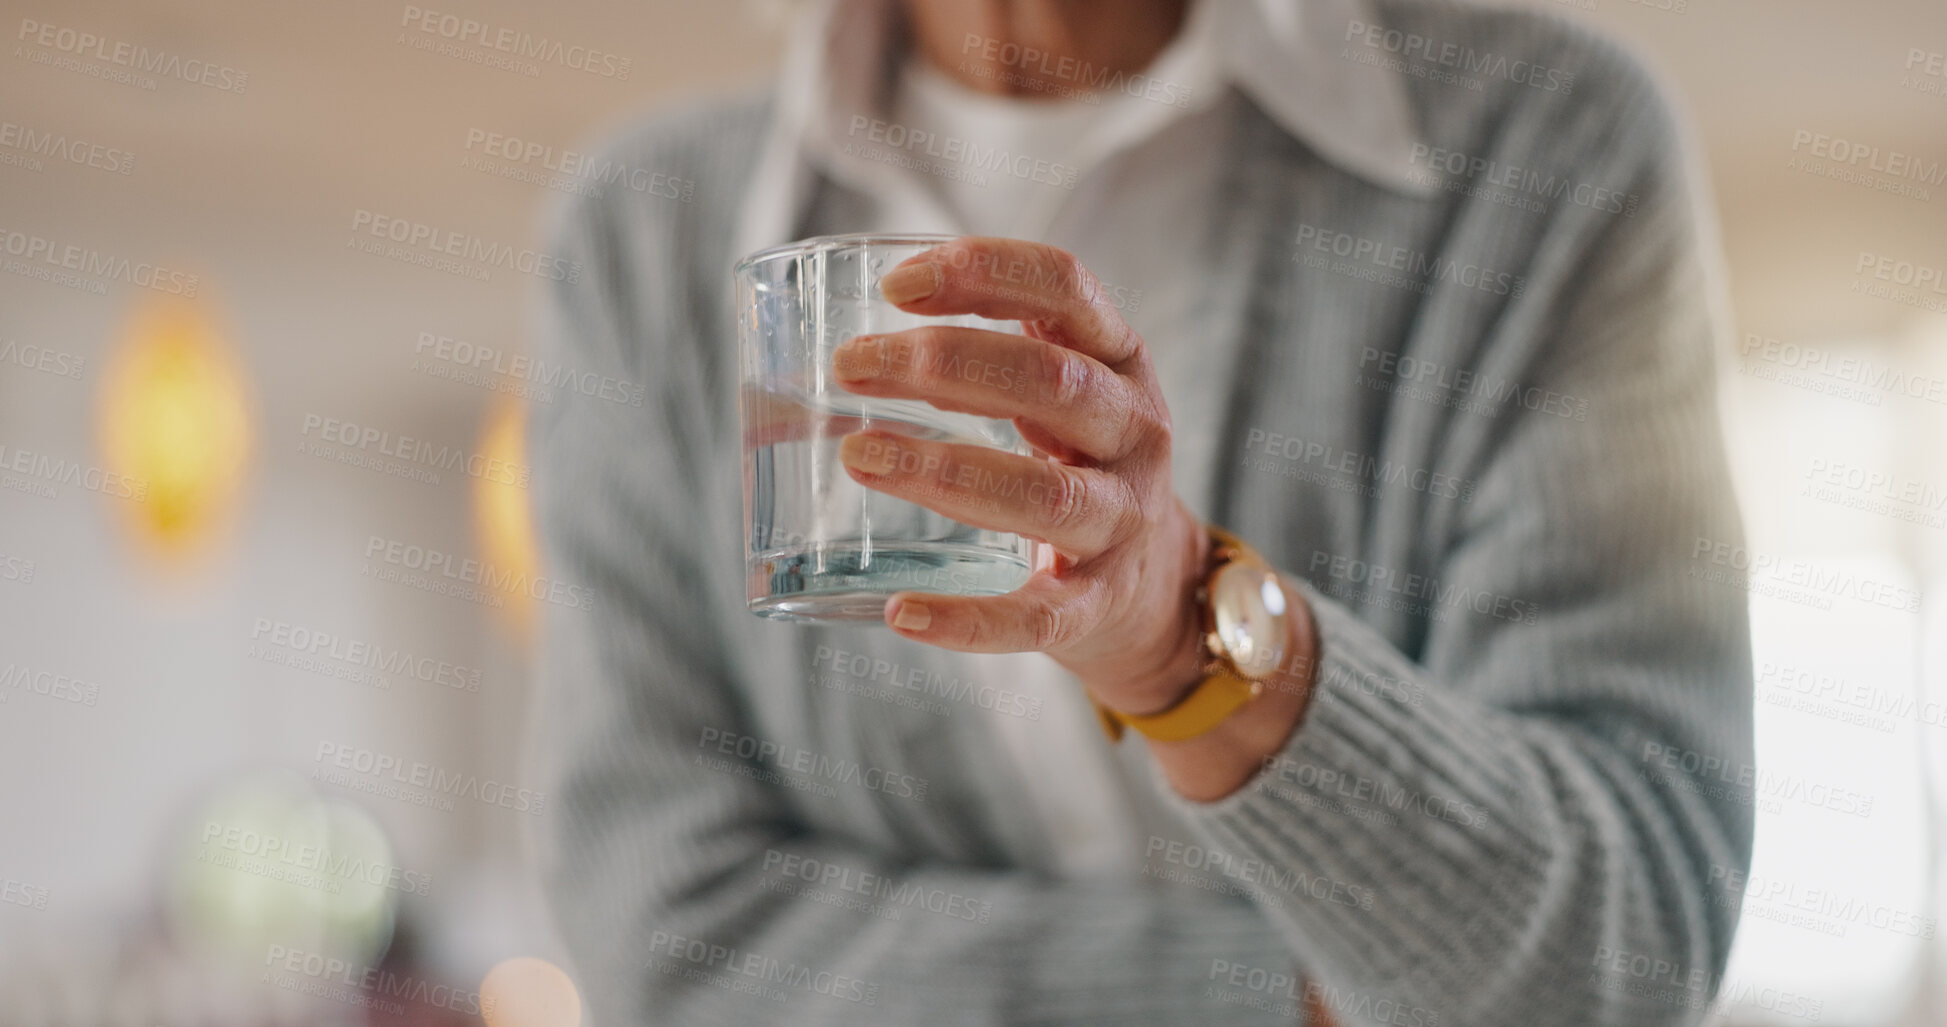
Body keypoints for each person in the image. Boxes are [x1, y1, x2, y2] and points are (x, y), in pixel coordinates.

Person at [526, 0, 1755, 1022]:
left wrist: (1181, 635)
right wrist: (1297, 997)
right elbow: (668, 940)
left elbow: (1622, 955)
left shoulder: (1547, 150)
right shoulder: (642, 234)